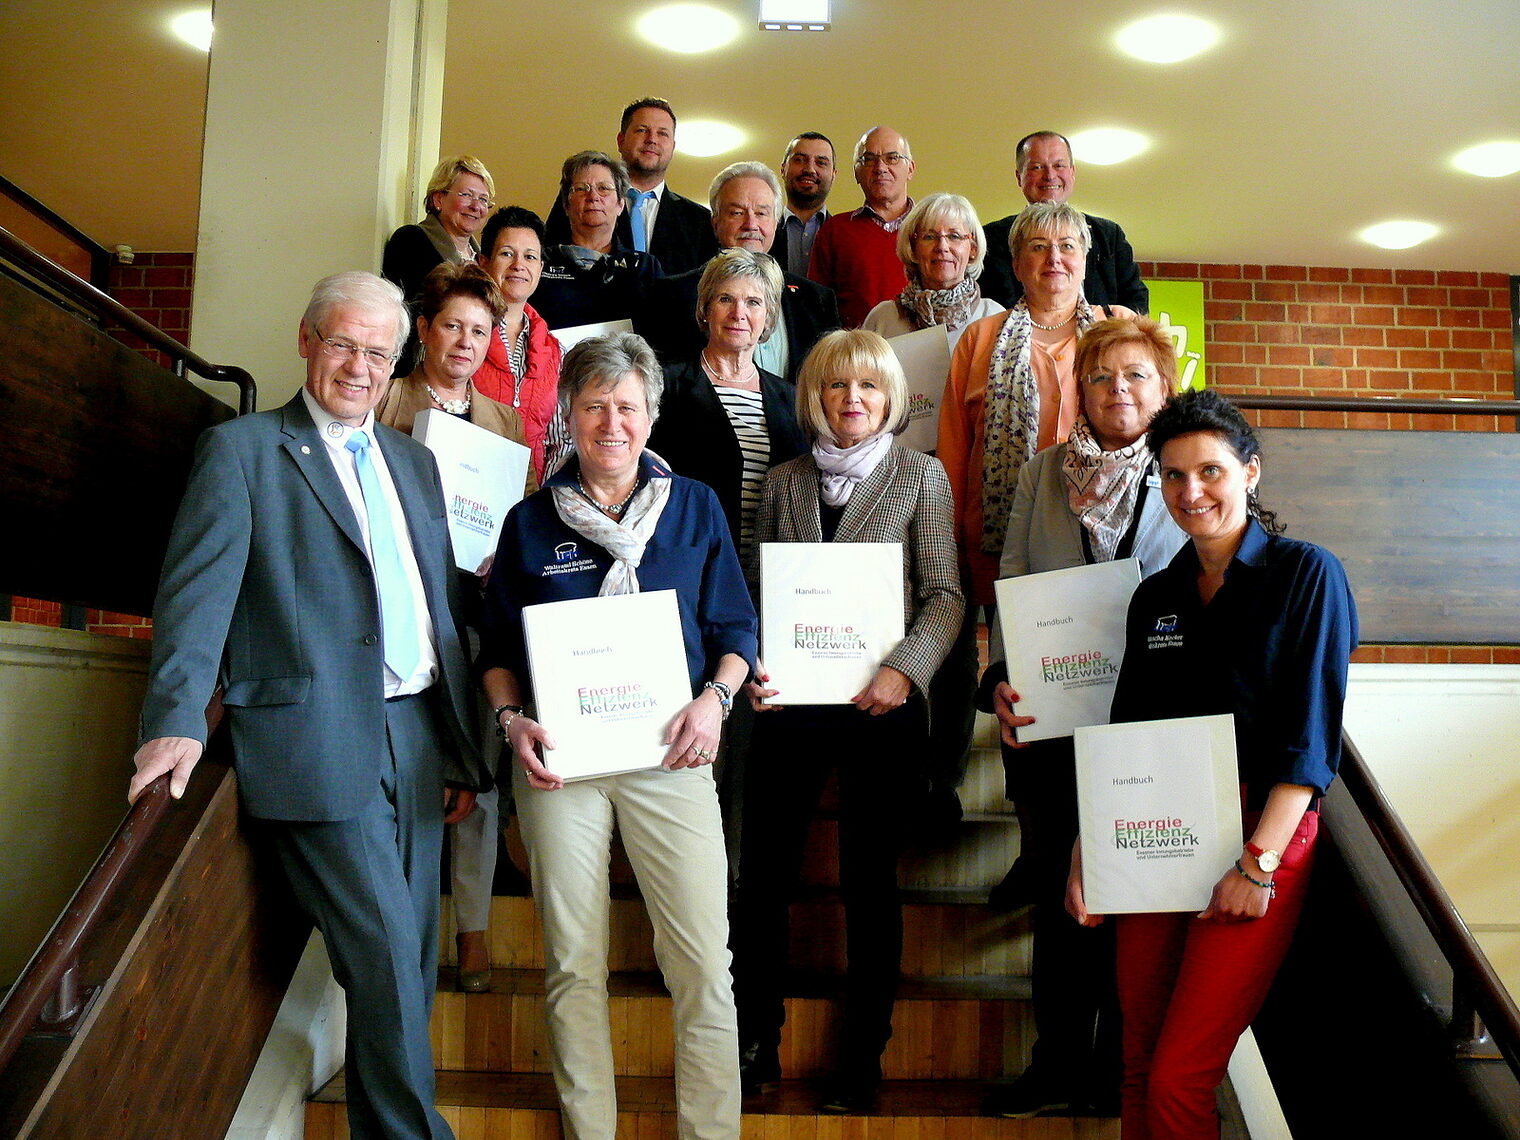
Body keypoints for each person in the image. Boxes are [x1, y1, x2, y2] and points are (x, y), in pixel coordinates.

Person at [130, 270, 484, 1140]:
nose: (358, 368)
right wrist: (174, 720)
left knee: (409, 961)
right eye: (342, 345)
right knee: (387, 955)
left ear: (398, 363)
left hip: (418, 731)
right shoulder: (243, 451)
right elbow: (196, 597)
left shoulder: (416, 460)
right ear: (305, 341)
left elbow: (434, 600)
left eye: (377, 352)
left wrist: (466, 740)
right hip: (315, 734)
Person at [479, 331, 756, 1140]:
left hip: (674, 755)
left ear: (651, 415)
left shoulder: (696, 505)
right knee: (572, 965)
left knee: (704, 964)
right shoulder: (529, 522)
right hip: (564, 764)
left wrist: (714, 703)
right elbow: (499, 653)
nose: (612, 422)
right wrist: (510, 719)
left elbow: (737, 630)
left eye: (628, 406)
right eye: (595, 404)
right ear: (569, 412)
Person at [1066, 389, 1358, 1140]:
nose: (1191, 492)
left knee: (1180, 1076)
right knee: (1136, 1065)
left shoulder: (1307, 575)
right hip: (1155, 833)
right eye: (1171, 476)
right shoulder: (1156, 596)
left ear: (1250, 472)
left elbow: (1310, 738)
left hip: (1260, 832)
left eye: (1210, 471)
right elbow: (1126, 729)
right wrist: (1088, 851)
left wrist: (1258, 862)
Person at [732, 329, 964, 1114]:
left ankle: (860, 1059)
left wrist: (906, 670)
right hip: (790, 705)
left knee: (870, 885)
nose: (853, 401)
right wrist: (755, 667)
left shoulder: (922, 478)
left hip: (882, 707)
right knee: (760, 878)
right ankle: (754, 1039)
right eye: (837, 388)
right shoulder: (786, 481)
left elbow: (946, 597)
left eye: (868, 388)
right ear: (816, 398)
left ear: (891, 398)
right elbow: (760, 592)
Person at [978, 317, 1187, 1119]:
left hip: (1149, 728)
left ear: (1162, 389)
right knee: (1057, 906)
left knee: (1132, 901)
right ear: (1080, 392)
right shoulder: (1039, 475)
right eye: (1100, 378)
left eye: (1135, 376)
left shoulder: (1185, 476)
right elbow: (1015, 582)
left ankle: (1115, 1072)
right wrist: (1000, 677)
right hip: (1054, 729)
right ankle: (1053, 1066)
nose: (1117, 391)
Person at [935, 201, 1137, 840]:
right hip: (1011, 551)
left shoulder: (1116, 331)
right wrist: (961, 548)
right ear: (1015, 263)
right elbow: (954, 452)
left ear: (1087, 258)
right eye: (1038, 248)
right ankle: (1035, 842)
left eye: (1068, 247)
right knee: (1024, 703)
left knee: (1111, 699)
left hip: (1112, 553)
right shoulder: (982, 339)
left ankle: (1102, 836)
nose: (1055, 260)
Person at [375, 260, 538, 995]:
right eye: (454, 326)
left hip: (471, 618)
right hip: (397, 619)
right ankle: (402, 931)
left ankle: (472, 933)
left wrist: (503, 554)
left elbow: (519, 514)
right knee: (407, 773)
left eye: (481, 329)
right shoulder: (389, 400)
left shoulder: (502, 419)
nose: (468, 341)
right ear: (424, 331)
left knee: (477, 773)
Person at [646, 248, 809, 563]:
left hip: (771, 571)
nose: (739, 313)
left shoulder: (790, 398)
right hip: (695, 563)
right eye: (725, 299)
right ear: (705, 309)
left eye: (753, 302)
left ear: (768, 316)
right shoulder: (665, 386)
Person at [636, 162, 840, 384]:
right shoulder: (670, 295)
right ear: (715, 222)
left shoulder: (817, 300)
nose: (750, 224)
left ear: (776, 222)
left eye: (762, 213)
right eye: (737, 212)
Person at [545, 98, 718, 276]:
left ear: (673, 146)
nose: (652, 140)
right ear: (621, 140)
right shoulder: (581, 202)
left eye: (662, 134)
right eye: (642, 130)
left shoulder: (700, 220)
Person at [980, 132, 1148, 313]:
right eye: (1036, 167)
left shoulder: (1108, 235)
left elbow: (1135, 300)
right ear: (1018, 176)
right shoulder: (990, 238)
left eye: (1059, 165)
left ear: (1072, 172)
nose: (1050, 175)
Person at [382, 154, 496, 375]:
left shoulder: (483, 259)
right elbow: (404, 315)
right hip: (416, 372)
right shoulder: (411, 239)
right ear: (438, 199)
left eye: (483, 200)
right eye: (466, 195)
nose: (476, 206)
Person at [473, 205, 563, 481]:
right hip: (466, 486)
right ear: (483, 262)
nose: (519, 265)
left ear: (540, 268)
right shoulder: (460, 335)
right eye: (506, 254)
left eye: (530, 257)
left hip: (529, 496)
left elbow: (559, 441)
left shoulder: (555, 351)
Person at [534, 150, 662, 331]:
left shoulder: (644, 267)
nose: (593, 196)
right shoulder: (539, 263)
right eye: (581, 188)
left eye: (603, 188)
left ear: (620, 204)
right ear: (566, 205)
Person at [861, 191, 1004, 347]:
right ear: (913, 248)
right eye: (929, 237)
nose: (942, 247)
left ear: (973, 249)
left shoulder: (994, 316)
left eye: (954, 236)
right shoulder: (882, 319)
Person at [807, 126, 916, 328]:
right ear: (856, 173)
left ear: (910, 168)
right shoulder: (834, 231)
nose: (880, 167)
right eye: (869, 159)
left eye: (892, 158)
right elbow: (816, 307)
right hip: (855, 354)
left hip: (923, 350)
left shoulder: (932, 229)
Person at [773, 131, 837, 278]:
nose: (809, 169)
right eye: (800, 160)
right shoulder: (761, 231)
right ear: (783, 169)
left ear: (833, 175)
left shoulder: (844, 237)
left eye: (821, 162)